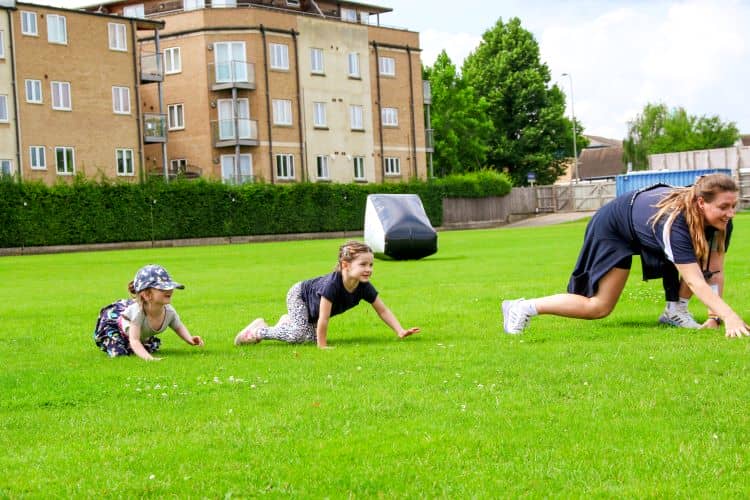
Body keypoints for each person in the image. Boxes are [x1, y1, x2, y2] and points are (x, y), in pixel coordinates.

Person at [502, 173, 749, 338]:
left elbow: (714, 270)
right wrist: (730, 316)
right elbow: (695, 280)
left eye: (733, 206)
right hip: (614, 226)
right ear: (700, 203)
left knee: (700, 258)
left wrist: (715, 318)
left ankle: (675, 311)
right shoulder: (675, 223)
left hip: (643, 223)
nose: (730, 213)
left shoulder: (720, 224)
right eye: (723, 207)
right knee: (599, 307)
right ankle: (523, 307)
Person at [235, 240, 420, 348]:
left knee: (305, 338)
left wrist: (400, 330)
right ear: (345, 265)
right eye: (363, 265)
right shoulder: (332, 284)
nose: (368, 269)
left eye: (371, 265)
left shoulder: (364, 286)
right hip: (299, 296)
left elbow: (383, 310)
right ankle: (258, 331)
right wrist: (322, 346)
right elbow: (323, 319)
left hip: (312, 311)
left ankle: (286, 322)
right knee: (298, 335)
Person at [93, 264, 204, 361]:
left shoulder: (169, 311)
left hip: (141, 334)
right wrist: (148, 358)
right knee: (120, 353)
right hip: (118, 329)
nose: (169, 290)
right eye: (162, 288)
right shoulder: (139, 313)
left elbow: (178, 326)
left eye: (170, 286)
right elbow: (134, 340)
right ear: (146, 295)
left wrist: (190, 339)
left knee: (147, 347)